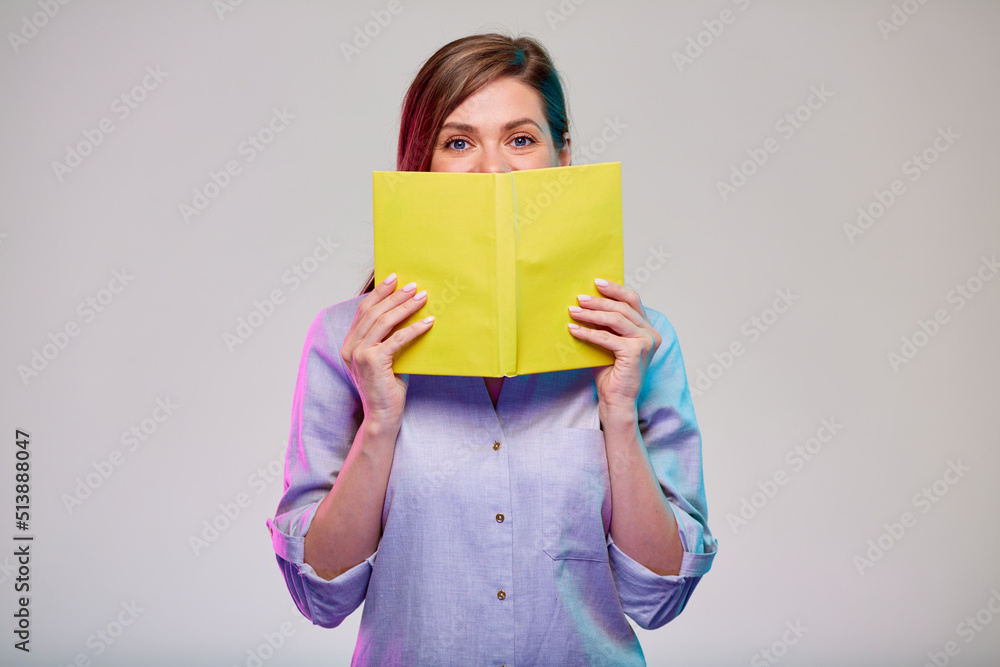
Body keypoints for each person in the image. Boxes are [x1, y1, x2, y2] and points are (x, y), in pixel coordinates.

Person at [266, 32, 717, 665]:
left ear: (563, 157)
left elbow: (659, 598)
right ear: (420, 167)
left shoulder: (638, 344)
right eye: (458, 143)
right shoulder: (348, 342)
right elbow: (321, 597)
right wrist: (381, 421)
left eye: (520, 139)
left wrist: (618, 413)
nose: (493, 169)